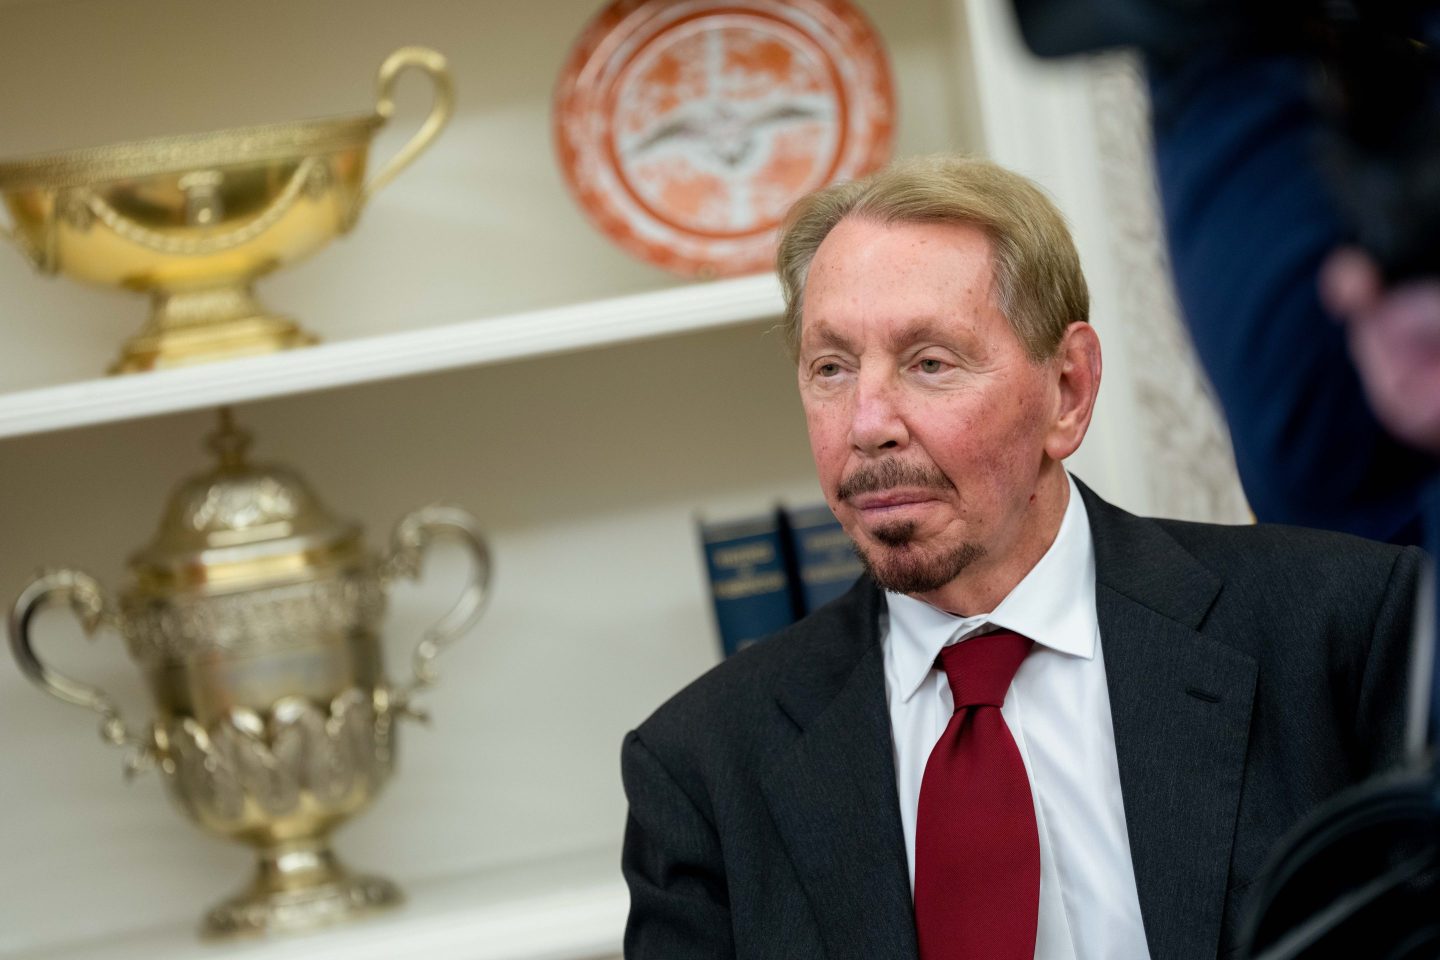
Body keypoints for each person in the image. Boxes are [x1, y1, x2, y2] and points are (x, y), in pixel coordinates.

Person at [620, 155, 1422, 960]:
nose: (867, 423)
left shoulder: (1345, 627)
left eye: (929, 362)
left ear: (1068, 391)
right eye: (831, 368)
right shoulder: (701, 766)